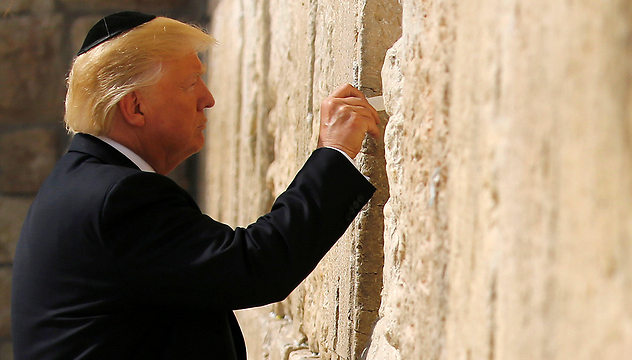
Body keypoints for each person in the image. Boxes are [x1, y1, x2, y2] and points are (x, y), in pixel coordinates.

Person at [10, 11, 381, 360]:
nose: (208, 99)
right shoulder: (117, 199)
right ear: (135, 107)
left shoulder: (79, 186)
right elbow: (255, 265)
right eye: (190, 84)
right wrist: (335, 152)